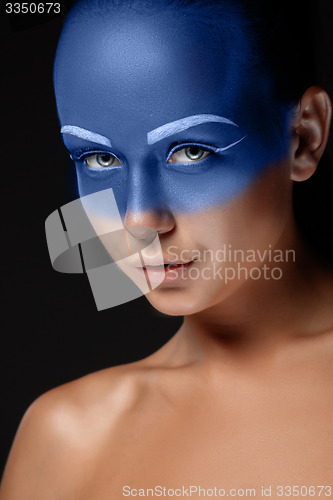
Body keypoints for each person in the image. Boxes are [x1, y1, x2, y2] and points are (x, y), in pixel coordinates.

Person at [1, 0, 332, 497]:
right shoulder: (68, 441)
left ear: (303, 135)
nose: (138, 218)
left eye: (191, 152)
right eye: (98, 158)